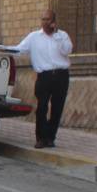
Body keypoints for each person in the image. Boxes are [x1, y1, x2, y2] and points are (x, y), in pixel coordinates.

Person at [14, 8, 73, 148]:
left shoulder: (62, 36)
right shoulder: (34, 37)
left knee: (57, 108)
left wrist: (57, 34)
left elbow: (67, 50)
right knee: (41, 107)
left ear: (54, 21)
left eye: (48, 19)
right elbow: (19, 49)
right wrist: (1, 49)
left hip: (61, 75)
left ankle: (50, 138)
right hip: (44, 76)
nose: (45, 22)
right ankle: (40, 137)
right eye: (43, 19)